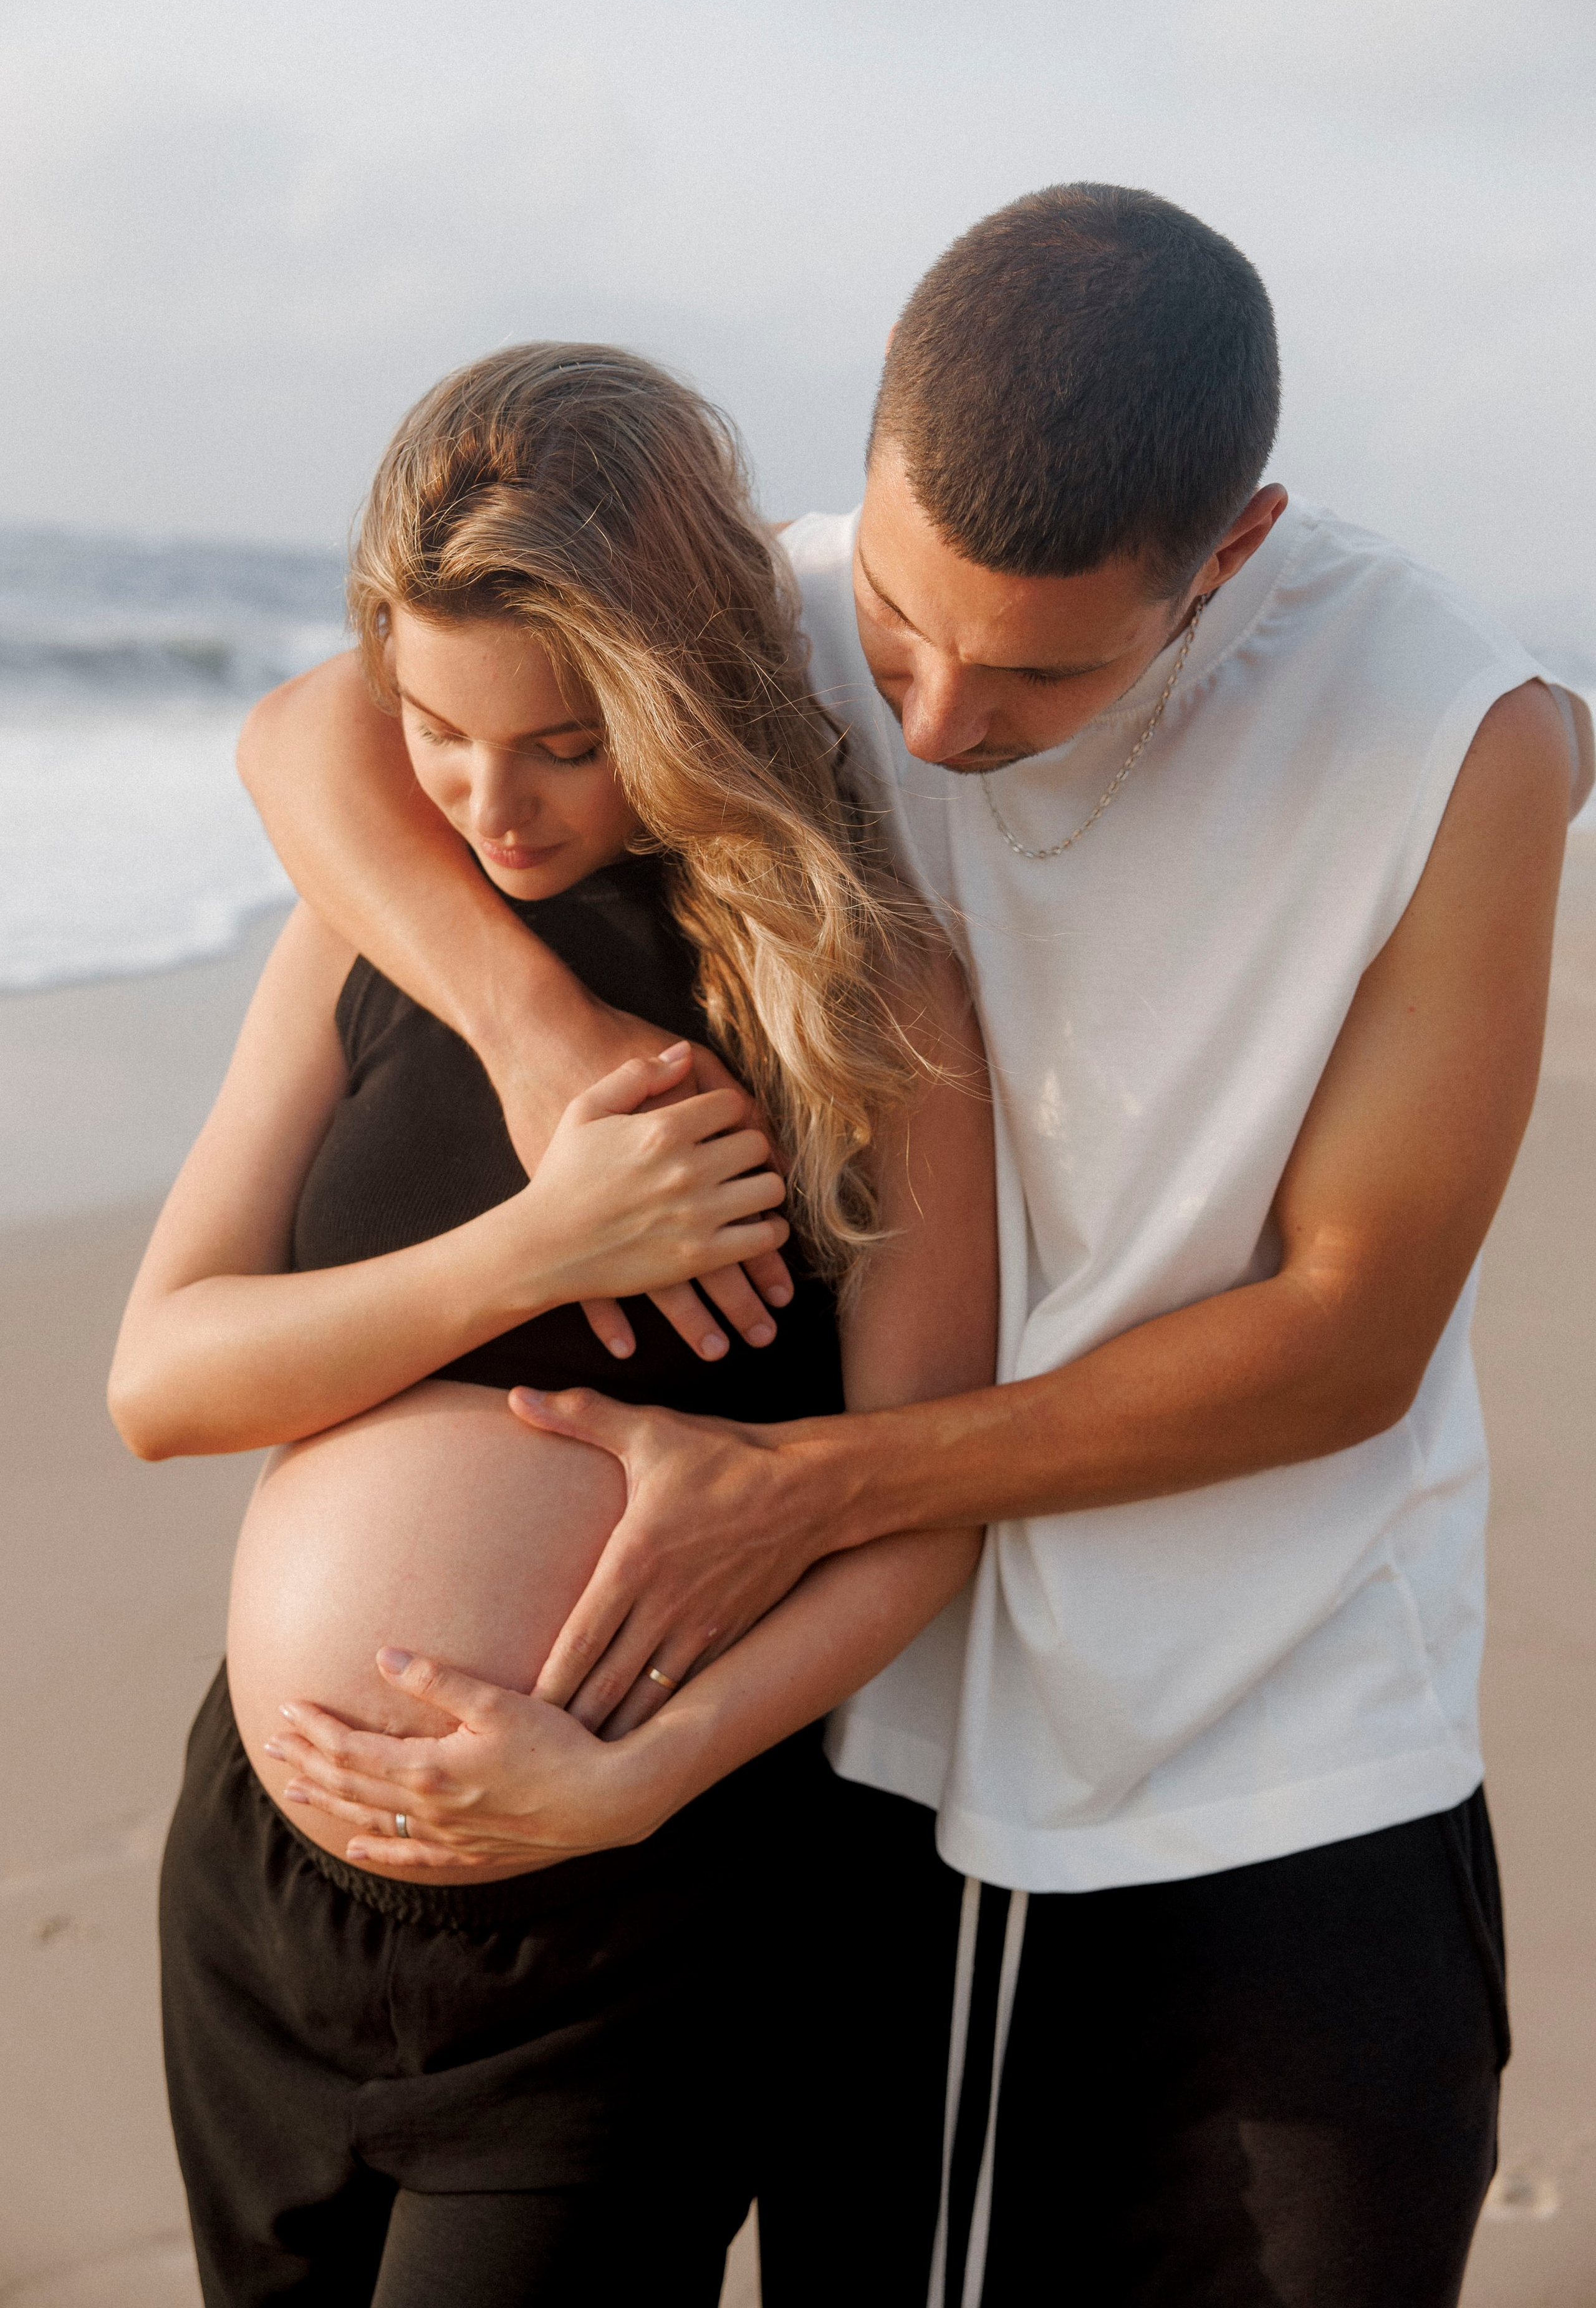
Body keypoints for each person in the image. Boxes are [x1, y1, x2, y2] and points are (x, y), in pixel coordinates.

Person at [243, 188, 1594, 2308]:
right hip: (906, 1766)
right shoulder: (778, 610)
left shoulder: (1456, 737)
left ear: (1226, 555)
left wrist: (800, 1487)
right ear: (863, 469)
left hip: (1295, 1725)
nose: (941, 720)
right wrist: (535, 1033)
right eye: (897, 633)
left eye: (1041, 670)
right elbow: (327, 724)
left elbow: (1346, 1334)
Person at [108, 343, 996, 2307]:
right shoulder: (365, 918)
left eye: (567, 742)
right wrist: (538, 1243)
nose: (492, 806)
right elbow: (160, 1380)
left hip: (628, 1939)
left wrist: (645, 1770)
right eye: (434, 730)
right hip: (260, 1905)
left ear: (688, 688)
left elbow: (925, 1505)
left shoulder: (875, 994)